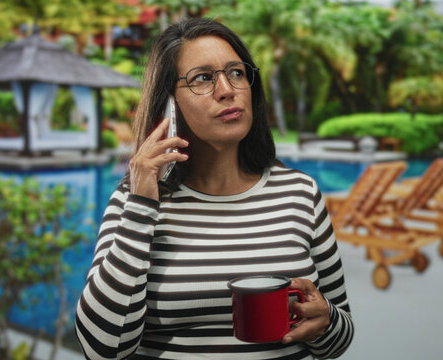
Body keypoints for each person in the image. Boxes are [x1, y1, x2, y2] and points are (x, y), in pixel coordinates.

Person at [75, 18, 354, 360]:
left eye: (236, 72)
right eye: (203, 78)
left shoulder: (300, 193)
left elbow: (339, 337)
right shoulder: (134, 201)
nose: (227, 89)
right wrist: (141, 205)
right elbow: (101, 348)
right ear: (168, 103)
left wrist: (325, 321)